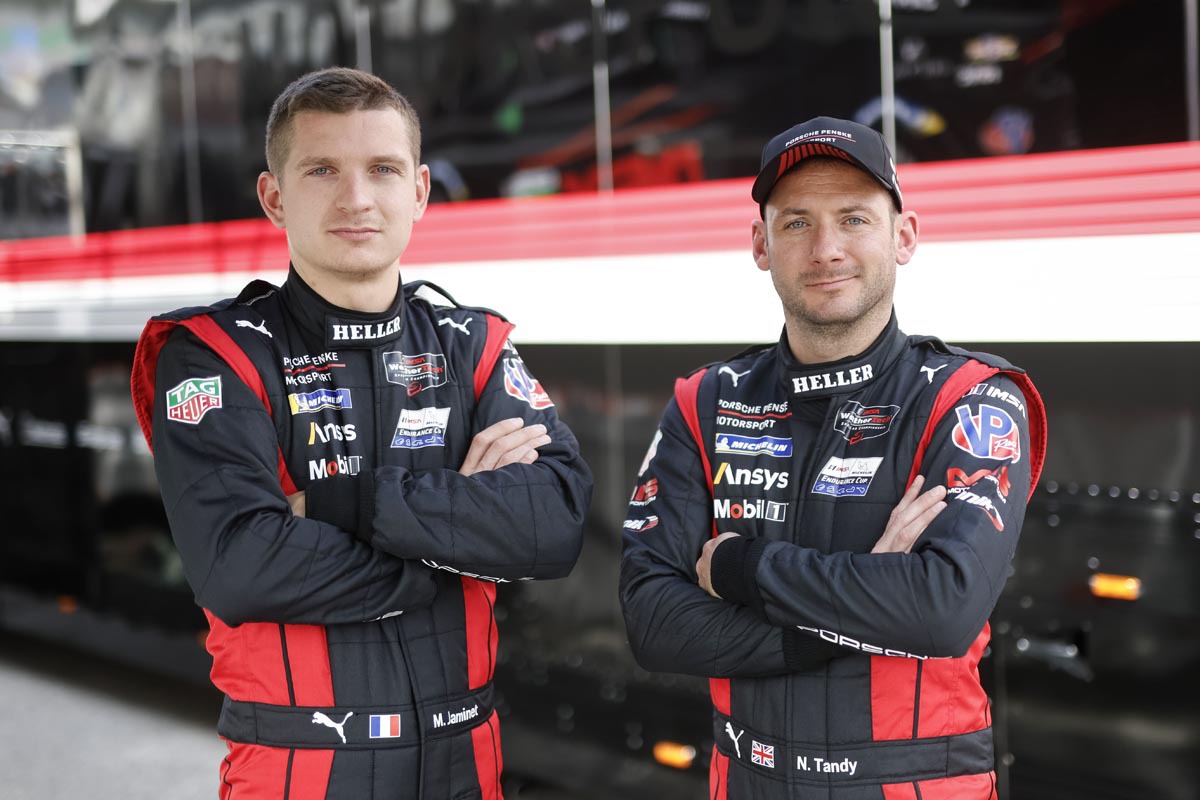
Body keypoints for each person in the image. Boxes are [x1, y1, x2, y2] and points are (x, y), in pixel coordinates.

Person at [130, 67, 591, 800]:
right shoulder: (216, 355)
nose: (356, 198)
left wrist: (338, 507)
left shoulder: (472, 346)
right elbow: (240, 566)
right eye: (322, 170)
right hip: (297, 769)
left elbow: (555, 526)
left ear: (420, 191)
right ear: (274, 197)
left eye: (383, 169)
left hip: (467, 765)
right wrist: (455, 545)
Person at [619, 116, 1046, 799]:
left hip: (916, 785)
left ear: (903, 237)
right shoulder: (707, 400)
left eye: (853, 219)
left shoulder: (969, 399)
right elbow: (653, 624)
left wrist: (739, 567)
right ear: (760, 245)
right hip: (746, 780)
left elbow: (942, 610)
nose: (826, 249)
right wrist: (850, 618)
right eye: (796, 223)